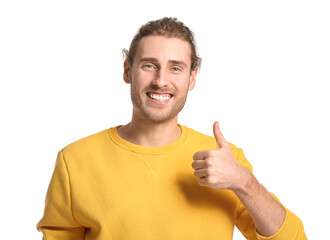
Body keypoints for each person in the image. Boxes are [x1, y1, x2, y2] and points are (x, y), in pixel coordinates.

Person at [37, 17, 307, 240]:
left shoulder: (224, 160)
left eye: (175, 68)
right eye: (149, 65)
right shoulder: (75, 160)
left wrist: (242, 181)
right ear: (127, 71)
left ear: (192, 78)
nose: (161, 80)